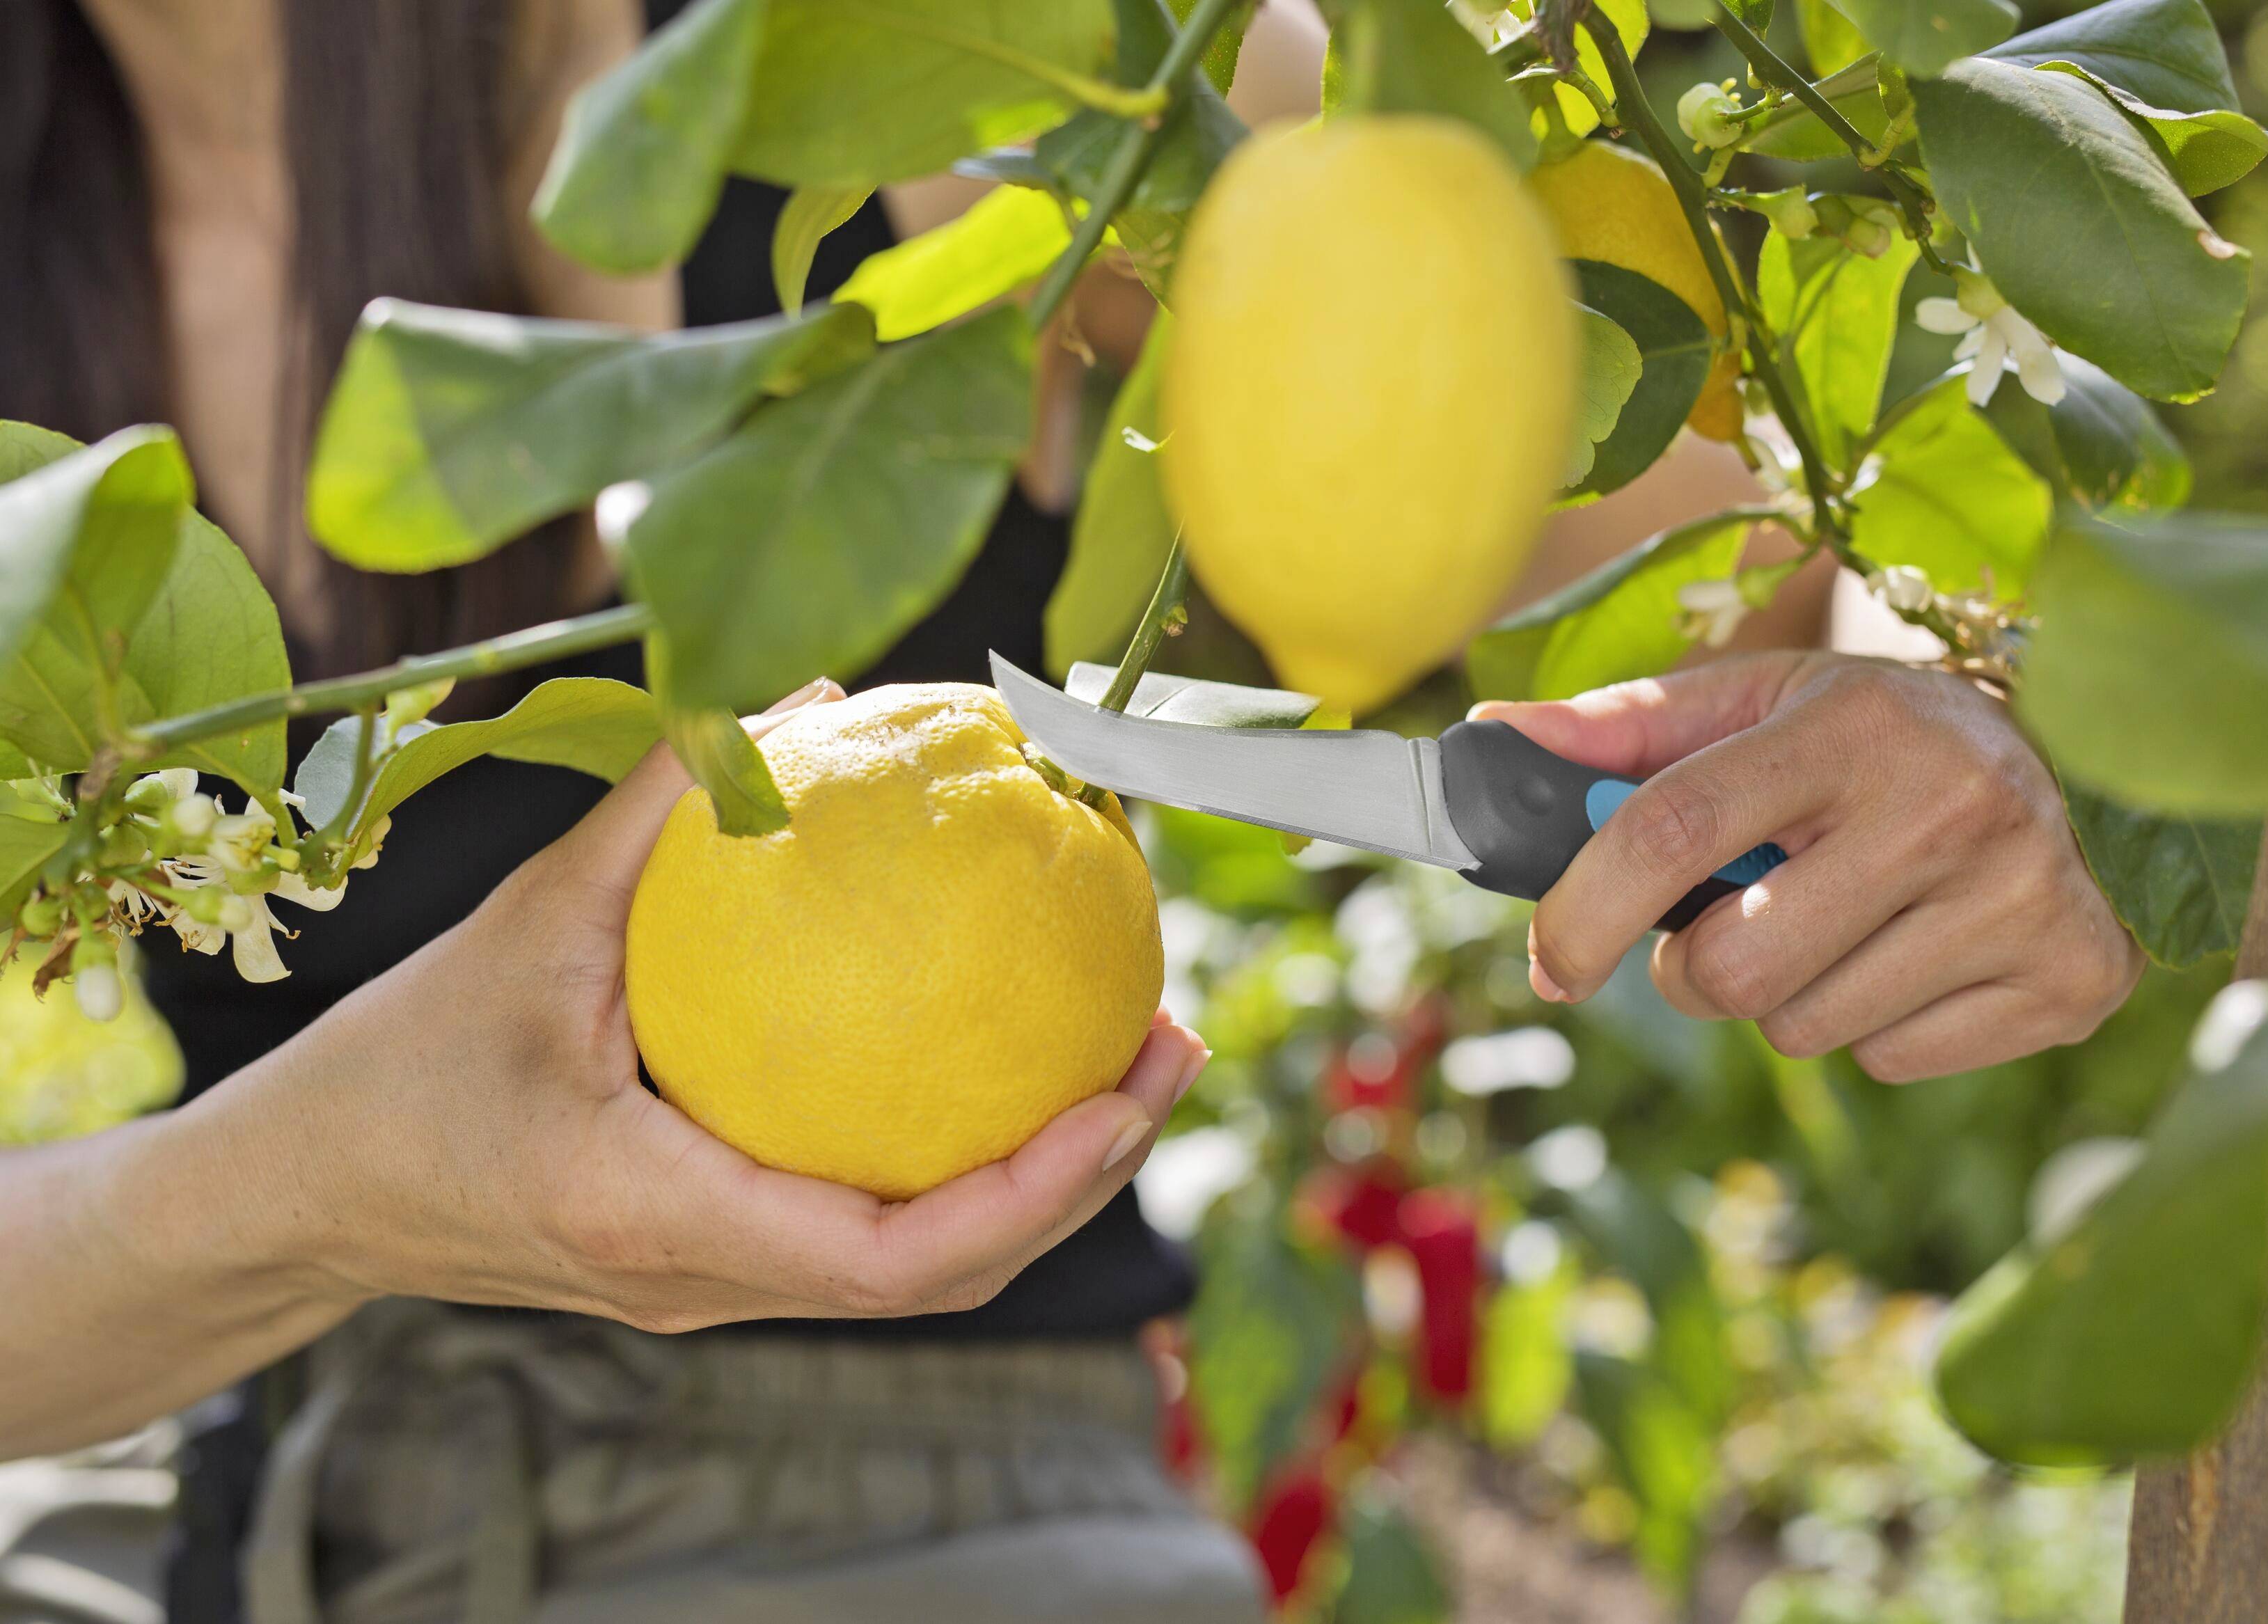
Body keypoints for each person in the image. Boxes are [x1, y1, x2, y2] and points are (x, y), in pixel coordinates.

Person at [0, 1, 2143, 1619]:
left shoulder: (967, 67)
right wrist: (309, 1190)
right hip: (254, 1495)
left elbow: (1738, 580)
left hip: (944, 1513)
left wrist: (1911, 722)